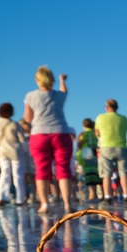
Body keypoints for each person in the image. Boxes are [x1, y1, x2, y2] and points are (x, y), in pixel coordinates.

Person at [24, 66, 75, 213]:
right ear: (51, 79)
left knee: (41, 170)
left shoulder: (30, 96)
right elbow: (65, 91)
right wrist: (62, 80)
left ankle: (44, 204)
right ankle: (67, 204)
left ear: (37, 79)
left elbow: (28, 118)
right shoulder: (59, 95)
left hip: (39, 134)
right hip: (61, 133)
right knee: (63, 169)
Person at [94, 99, 127, 204]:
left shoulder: (100, 117)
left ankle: (107, 197)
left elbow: (97, 133)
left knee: (106, 173)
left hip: (106, 147)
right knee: (124, 173)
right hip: (121, 147)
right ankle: (126, 196)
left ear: (106, 107)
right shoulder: (124, 118)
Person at [0, 103, 27, 206]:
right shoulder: (14, 124)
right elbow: (22, 139)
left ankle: (1, 197)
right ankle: (20, 198)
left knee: (4, 173)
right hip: (16, 151)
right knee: (18, 175)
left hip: (2, 151)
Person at [76, 119, 101, 201]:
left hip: (88, 157)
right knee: (94, 175)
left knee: (90, 177)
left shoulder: (86, 133)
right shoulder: (94, 133)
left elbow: (80, 144)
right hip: (94, 156)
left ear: (84, 125)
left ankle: (92, 196)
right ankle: (95, 195)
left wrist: (78, 143)